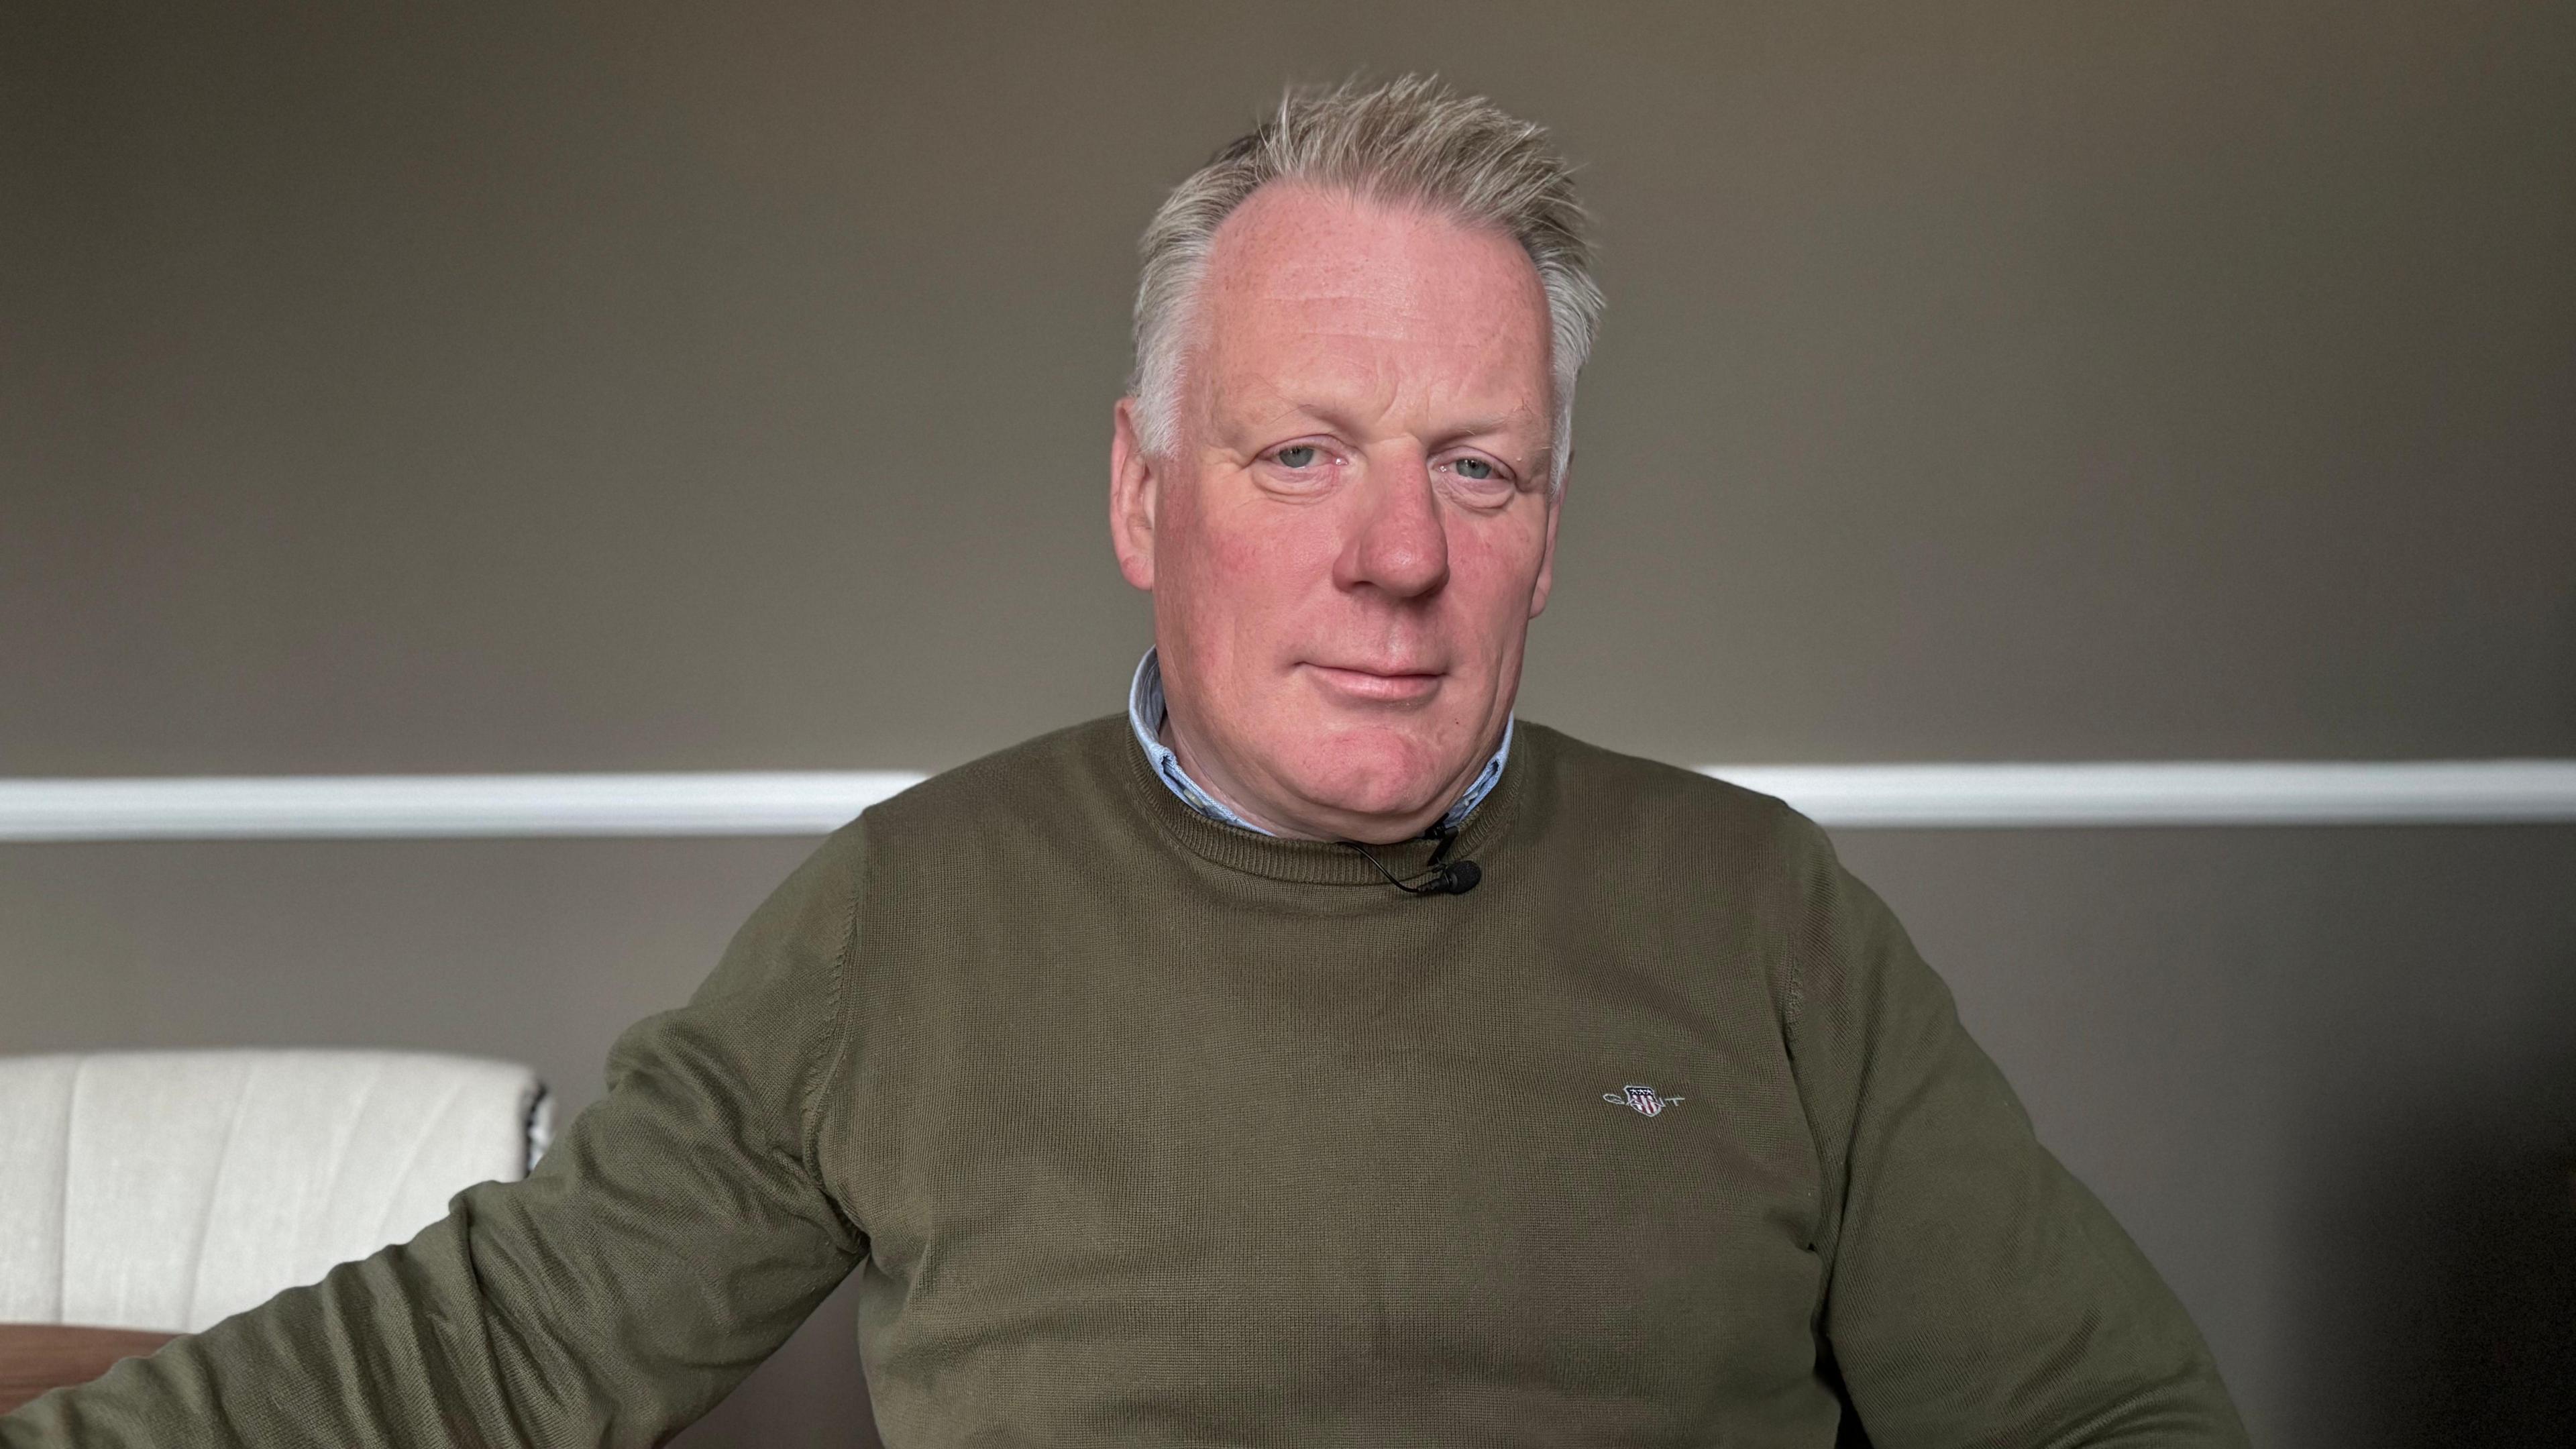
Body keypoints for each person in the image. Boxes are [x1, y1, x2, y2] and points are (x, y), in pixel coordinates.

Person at [3, 76, 2249, 1447]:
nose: (1397, 558)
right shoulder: (909, 920)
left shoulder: (1766, 918)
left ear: (1553, 533)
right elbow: (488, 1360)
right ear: (1140, 493)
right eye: (1302, 455)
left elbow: (2109, 1419)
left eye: (1481, 470)